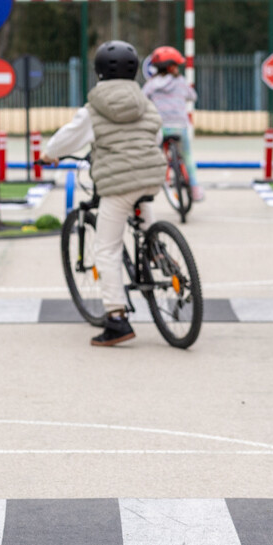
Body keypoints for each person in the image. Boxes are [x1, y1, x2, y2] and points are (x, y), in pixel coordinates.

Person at [42, 40, 167, 346]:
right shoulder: (146, 102)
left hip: (118, 183)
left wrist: (50, 154)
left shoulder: (94, 109)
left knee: (106, 249)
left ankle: (116, 319)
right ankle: (159, 253)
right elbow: (158, 132)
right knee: (141, 212)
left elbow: (67, 139)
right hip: (152, 175)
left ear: (98, 72)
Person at [142, 45, 203, 202]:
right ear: (171, 67)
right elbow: (193, 96)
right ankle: (195, 188)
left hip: (160, 128)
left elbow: (142, 100)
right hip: (179, 126)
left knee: (154, 156)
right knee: (187, 157)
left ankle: (151, 185)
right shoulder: (180, 82)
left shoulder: (151, 84)